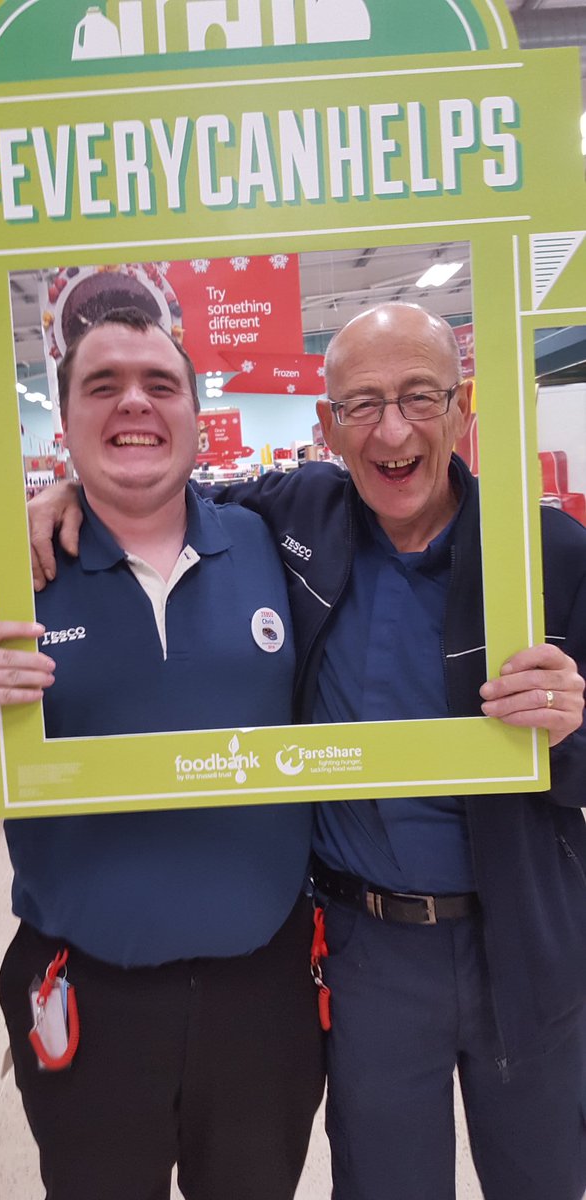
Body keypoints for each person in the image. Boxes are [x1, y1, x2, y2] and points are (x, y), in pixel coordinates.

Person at [30, 302, 586, 1200]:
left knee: (543, 1178)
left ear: (462, 408)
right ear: (327, 427)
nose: (392, 429)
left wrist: (573, 726)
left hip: (522, 935)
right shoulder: (295, 520)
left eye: (419, 397)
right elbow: (155, 496)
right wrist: (65, 493)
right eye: (361, 404)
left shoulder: (547, 554)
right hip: (366, 949)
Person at [0, 310, 325, 1200]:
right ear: (64, 427)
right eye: (102, 385)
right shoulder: (10, 584)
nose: (133, 401)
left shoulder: (270, 549)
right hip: (85, 1001)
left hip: (268, 998)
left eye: (158, 383)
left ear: (194, 414)